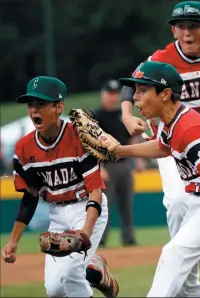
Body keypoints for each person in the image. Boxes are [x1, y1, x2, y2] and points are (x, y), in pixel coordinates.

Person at [120, 2, 200, 297]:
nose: (187, 32)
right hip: (170, 141)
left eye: (193, 25)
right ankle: (185, 270)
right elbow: (132, 85)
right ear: (173, 29)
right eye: (180, 26)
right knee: (177, 203)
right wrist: (125, 121)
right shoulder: (162, 59)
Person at [1, 76, 119, 298]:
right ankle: (96, 268)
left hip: (87, 208)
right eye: (31, 104)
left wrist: (86, 230)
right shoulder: (24, 148)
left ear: (58, 107)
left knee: (71, 275)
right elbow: (30, 196)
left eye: (41, 104)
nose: (34, 110)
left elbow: (95, 189)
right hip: (57, 215)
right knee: (55, 290)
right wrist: (13, 241)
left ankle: (89, 263)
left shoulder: (78, 137)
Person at [94, 79, 144, 246]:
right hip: (106, 165)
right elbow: (92, 144)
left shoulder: (122, 116)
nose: (113, 97)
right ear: (103, 95)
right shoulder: (96, 116)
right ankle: (100, 239)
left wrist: (138, 160)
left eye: (115, 94)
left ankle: (128, 239)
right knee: (104, 205)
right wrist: (99, 167)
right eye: (110, 94)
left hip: (124, 165)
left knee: (127, 204)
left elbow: (131, 138)